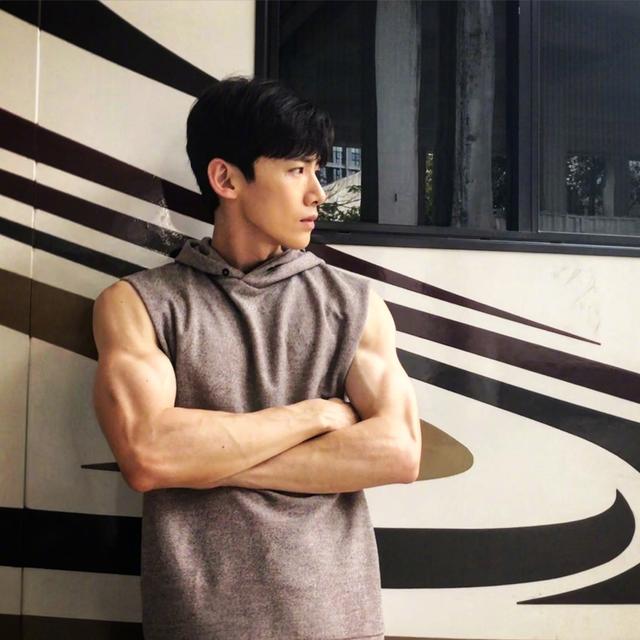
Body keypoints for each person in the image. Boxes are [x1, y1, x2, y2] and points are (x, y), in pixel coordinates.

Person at [92, 75, 421, 640]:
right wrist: (315, 415)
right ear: (226, 179)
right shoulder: (138, 304)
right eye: (296, 170)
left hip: (336, 623)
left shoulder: (354, 304)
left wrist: (204, 463)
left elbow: (398, 452)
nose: (318, 193)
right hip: (198, 627)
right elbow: (147, 456)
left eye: (317, 169)